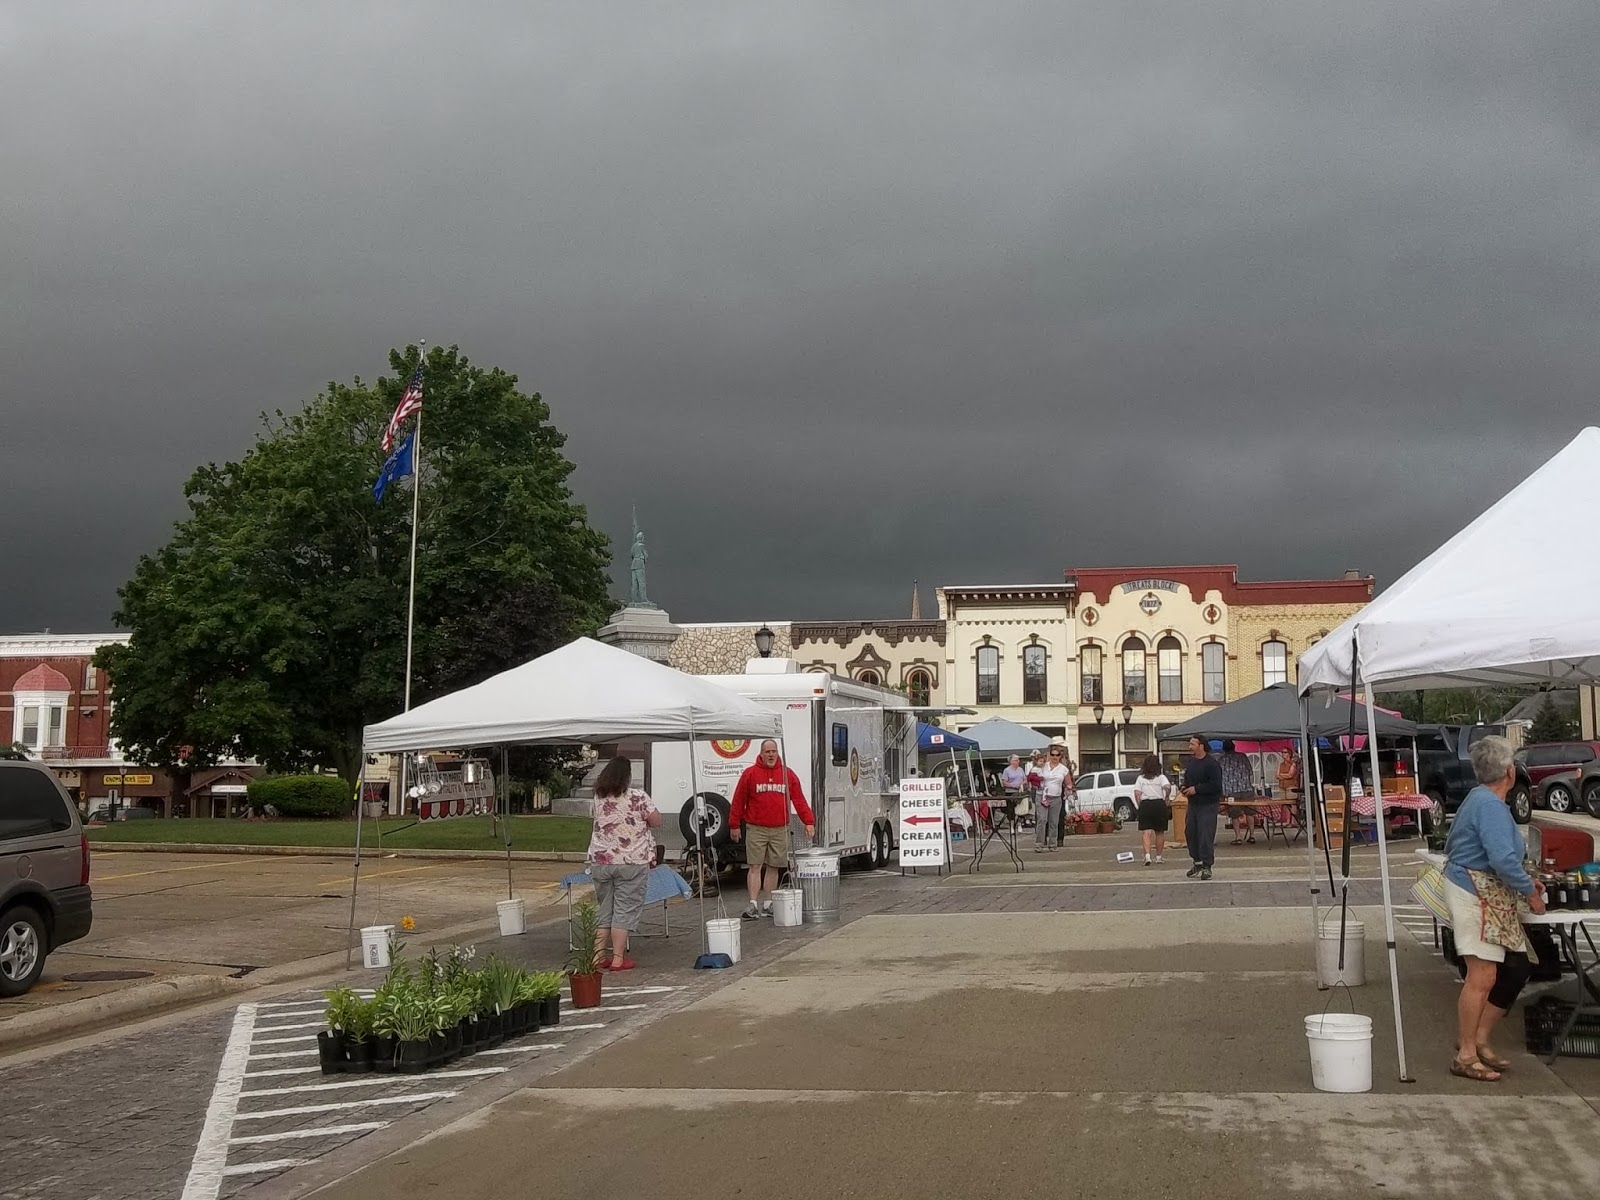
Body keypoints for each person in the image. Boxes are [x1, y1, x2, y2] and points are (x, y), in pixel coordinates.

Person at [1442, 734, 1545, 1082]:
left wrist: (1523, 880)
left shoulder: (1479, 799)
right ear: (1510, 771)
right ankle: (1466, 1054)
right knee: (1483, 975)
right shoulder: (1489, 805)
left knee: (1516, 967)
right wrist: (1530, 891)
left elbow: (1499, 856)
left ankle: (1478, 1040)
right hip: (1476, 894)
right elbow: (1502, 858)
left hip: (1487, 892)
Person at [584, 756, 662, 972]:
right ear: (627, 776)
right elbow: (656, 821)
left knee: (605, 909)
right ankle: (618, 959)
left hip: (601, 860)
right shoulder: (638, 796)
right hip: (631, 861)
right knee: (624, 910)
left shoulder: (598, 797)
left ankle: (597, 957)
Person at [729, 740, 815, 919]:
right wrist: (734, 825)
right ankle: (753, 904)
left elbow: (798, 800)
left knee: (774, 866)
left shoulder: (787, 775)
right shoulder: (750, 774)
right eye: (767, 751)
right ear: (761, 753)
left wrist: (808, 821)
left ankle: (768, 904)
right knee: (754, 866)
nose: (771, 755)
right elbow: (738, 800)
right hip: (756, 828)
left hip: (779, 828)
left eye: (774, 751)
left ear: (778, 753)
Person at [1180, 736, 1223, 879]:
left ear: (1201, 746)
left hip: (1208, 804)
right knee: (1190, 832)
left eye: (1192, 744)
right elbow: (1187, 779)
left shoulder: (1212, 764)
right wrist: (1184, 787)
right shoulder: (1191, 763)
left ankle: (1207, 865)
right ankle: (1197, 861)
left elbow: (1216, 785)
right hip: (1193, 804)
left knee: (1205, 834)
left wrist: (1197, 789)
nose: (1189, 747)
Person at [1134, 754, 1172, 866]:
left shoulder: (1140, 778)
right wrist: (1167, 797)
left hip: (1146, 804)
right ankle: (1159, 857)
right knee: (1160, 832)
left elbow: (1137, 793)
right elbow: (1168, 787)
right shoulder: (1161, 777)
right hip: (1159, 804)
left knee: (1146, 832)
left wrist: (1140, 804)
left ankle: (1147, 856)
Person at [1033, 745, 1072, 852]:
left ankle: (1053, 844)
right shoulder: (1043, 766)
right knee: (1042, 819)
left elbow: (1068, 783)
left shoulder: (1063, 769)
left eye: (1057, 755)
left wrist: (1069, 790)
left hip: (1056, 797)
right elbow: (1033, 773)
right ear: (1049, 755)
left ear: (1060, 756)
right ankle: (1039, 844)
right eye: (1053, 754)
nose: (1055, 757)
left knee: (1054, 822)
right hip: (1042, 795)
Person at [1220, 739, 1257, 845]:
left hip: (1231, 791)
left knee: (1234, 815)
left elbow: (1219, 776)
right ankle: (1252, 835)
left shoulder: (1222, 760)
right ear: (1234, 747)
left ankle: (1238, 837)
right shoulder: (1243, 756)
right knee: (1250, 813)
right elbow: (1250, 772)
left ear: (1224, 749)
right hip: (1246, 788)